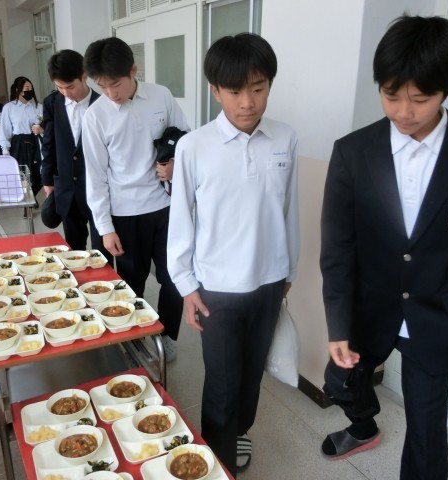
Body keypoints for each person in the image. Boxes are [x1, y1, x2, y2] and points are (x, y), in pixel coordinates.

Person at [319, 15, 448, 480]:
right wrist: (338, 323)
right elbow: (338, 247)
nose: (403, 111)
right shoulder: (352, 152)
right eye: (390, 95)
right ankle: (363, 425)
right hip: (369, 308)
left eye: (420, 99)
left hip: (439, 313)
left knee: (427, 426)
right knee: (339, 382)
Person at [167, 33, 299, 477]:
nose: (248, 102)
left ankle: (240, 429)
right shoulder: (194, 146)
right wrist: (186, 286)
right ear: (215, 91)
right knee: (222, 380)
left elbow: (288, 210)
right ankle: (217, 458)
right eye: (236, 91)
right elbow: (181, 220)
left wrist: (289, 269)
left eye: (258, 88)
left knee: (252, 372)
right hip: (217, 287)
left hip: (269, 282)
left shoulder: (284, 138)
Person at [82, 37, 189, 361]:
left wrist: (175, 164)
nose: (110, 93)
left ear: (133, 70)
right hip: (125, 213)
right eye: (101, 86)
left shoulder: (161, 96)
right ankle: (134, 337)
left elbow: (186, 139)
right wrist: (105, 228)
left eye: (115, 84)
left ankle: (166, 334)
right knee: (131, 281)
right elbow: (95, 176)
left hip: (166, 207)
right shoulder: (96, 116)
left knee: (175, 278)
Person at [40, 49, 111, 264]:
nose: (66, 92)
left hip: (98, 189)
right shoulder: (52, 103)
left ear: (84, 76)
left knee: (101, 250)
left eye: (70, 86)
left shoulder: (103, 104)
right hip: (67, 188)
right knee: (73, 248)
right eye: (59, 87)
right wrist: (47, 180)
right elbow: (49, 143)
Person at [0, 76, 44, 213]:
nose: (29, 91)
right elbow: (5, 129)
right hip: (19, 143)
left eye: (31, 88)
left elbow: (46, 125)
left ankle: (31, 196)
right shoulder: (9, 107)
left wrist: (41, 129)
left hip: (36, 142)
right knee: (23, 175)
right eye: (26, 88)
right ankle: (27, 204)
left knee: (39, 174)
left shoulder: (38, 107)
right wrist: (5, 149)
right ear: (17, 90)